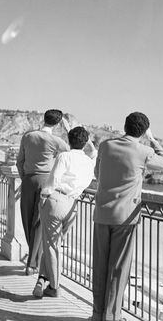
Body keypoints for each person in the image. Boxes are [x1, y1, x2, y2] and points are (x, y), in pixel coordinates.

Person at [91, 112, 163, 321]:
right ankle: (111, 317)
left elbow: (97, 174)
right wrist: (153, 140)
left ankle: (97, 314)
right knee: (118, 269)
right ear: (143, 131)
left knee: (99, 267)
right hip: (125, 218)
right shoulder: (144, 151)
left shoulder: (105, 146)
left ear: (125, 126)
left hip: (101, 214)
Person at [33, 126, 97, 298]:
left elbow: (53, 179)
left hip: (56, 200)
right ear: (84, 143)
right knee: (53, 244)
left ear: (68, 141)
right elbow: (94, 151)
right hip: (72, 206)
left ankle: (54, 286)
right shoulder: (90, 162)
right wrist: (88, 142)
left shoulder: (64, 156)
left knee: (51, 246)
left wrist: (43, 197)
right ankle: (41, 279)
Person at [16, 109, 69, 275]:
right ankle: (32, 264)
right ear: (58, 123)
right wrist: (68, 130)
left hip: (28, 180)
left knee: (26, 219)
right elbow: (71, 154)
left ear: (43, 118)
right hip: (46, 182)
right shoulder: (56, 141)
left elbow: (19, 162)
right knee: (38, 222)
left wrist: (25, 178)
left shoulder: (28, 136)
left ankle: (32, 259)